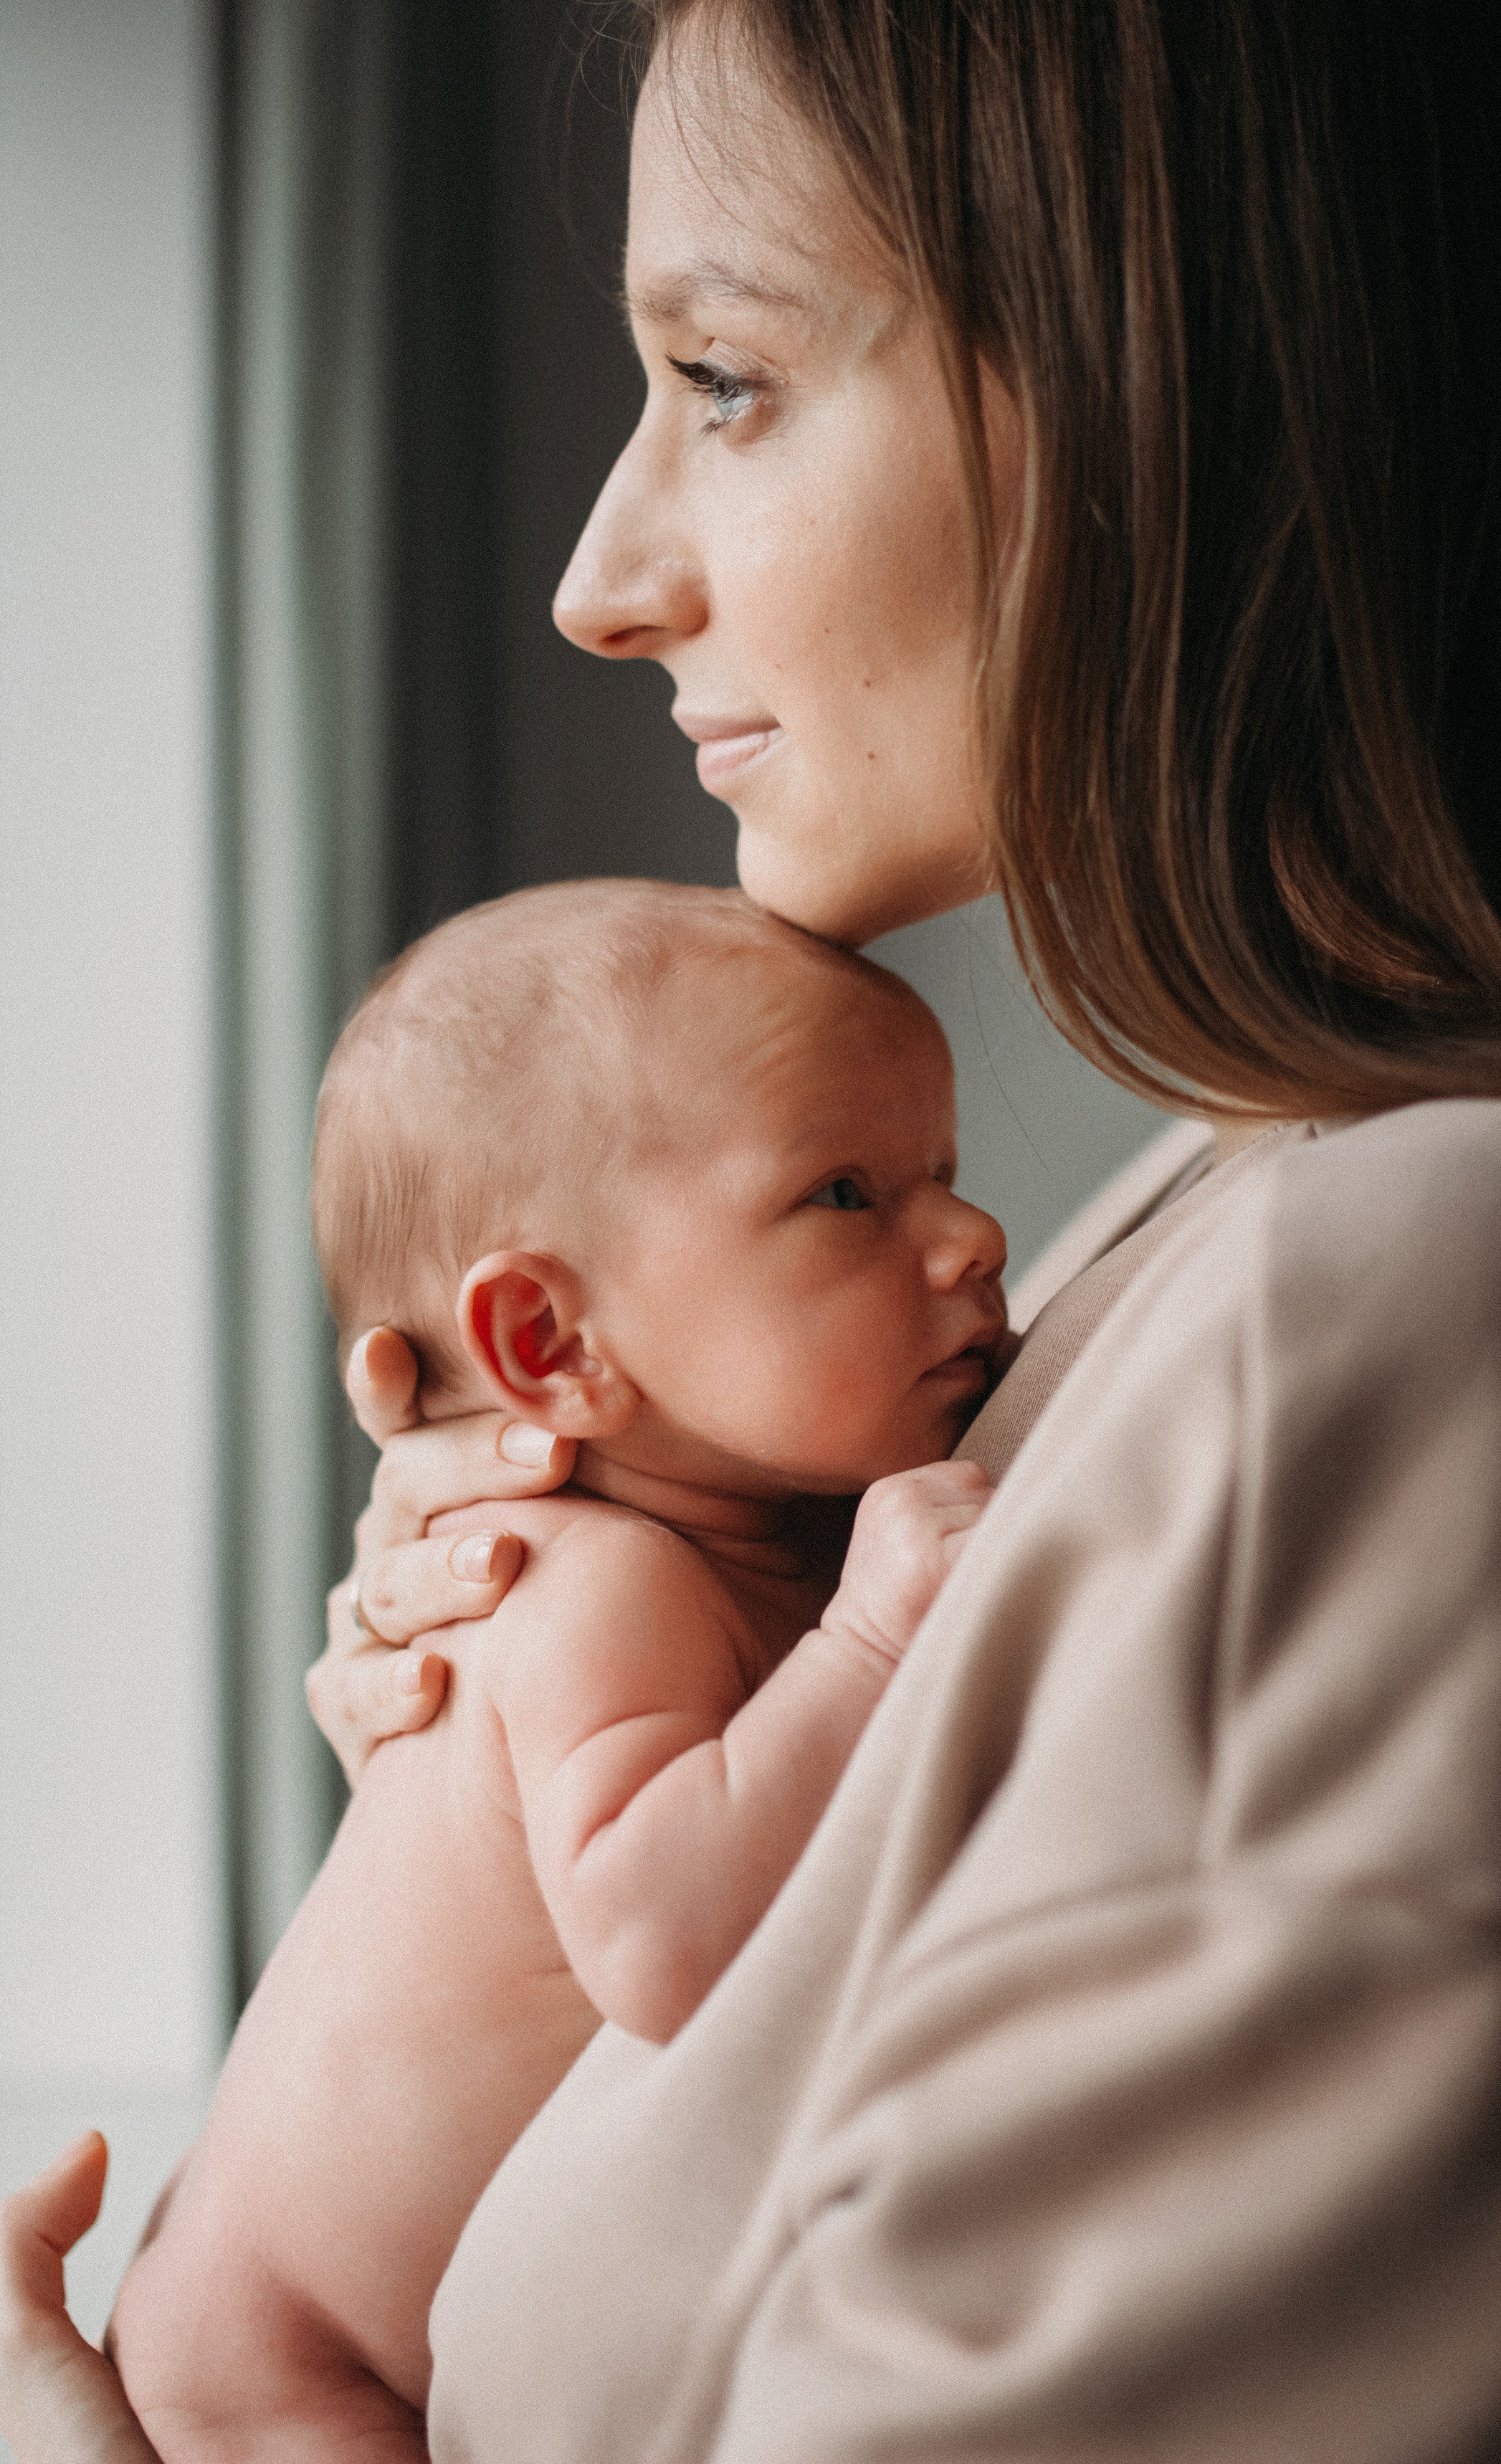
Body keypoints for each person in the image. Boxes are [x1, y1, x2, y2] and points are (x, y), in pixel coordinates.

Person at [6, 0, 1501, 2456]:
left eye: (726, 380)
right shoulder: (1206, 1235)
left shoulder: (1408, 1301)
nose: (598, 573)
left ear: (1158, 382)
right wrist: (631, 1614)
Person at [103, 880, 1005, 2452]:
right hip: (286, 2360)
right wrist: (872, 1635)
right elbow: (663, 1932)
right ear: (552, 1347)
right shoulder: (595, 1584)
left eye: (943, 1171)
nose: (973, 1237)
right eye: (848, 1195)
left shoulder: (755, 1535)